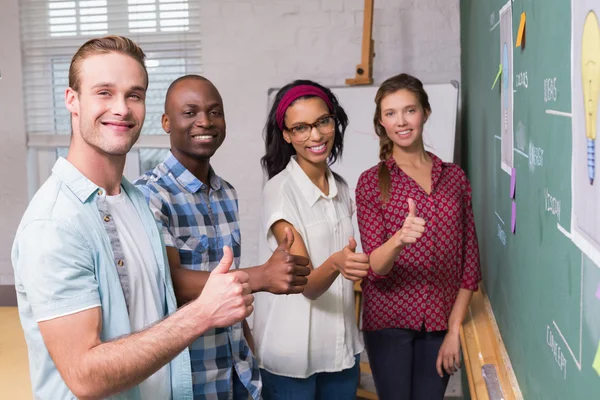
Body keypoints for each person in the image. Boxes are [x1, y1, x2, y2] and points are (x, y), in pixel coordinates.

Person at [11, 36, 253, 400]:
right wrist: (203, 313)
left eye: (134, 95)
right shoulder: (54, 224)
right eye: (104, 93)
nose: (122, 109)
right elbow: (85, 376)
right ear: (72, 100)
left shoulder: (137, 202)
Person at [134, 75, 311, 400]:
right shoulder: (150, 194)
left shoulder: (226, 193)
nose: (205, 121)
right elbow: (169, 283)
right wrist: (261, 276)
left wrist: (248, 347)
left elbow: (227, 279)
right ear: (166, 122)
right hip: (187, 377)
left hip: (236, 372)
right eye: (190, 112)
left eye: (215, 112)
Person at [355, 73, 482, 400]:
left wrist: (454, 330)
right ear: (381, 122)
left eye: (409, 110)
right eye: (391, 113)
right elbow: (375, 269)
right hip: (388, 322)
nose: (401, 121)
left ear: (425, 112)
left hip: (440, 321)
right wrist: (398, 240)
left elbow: (470, 263)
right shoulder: (371, 183)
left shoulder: (454, 177)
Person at [253, 80, 367, 399]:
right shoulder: (279, 191)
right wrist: (337, 262)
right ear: (287, 135)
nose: (315, 136)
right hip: (291, 358)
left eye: (322, 122)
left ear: (334, 121)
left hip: (341, 351)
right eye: (301, 128)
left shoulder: (342, 188)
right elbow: (307, 285)